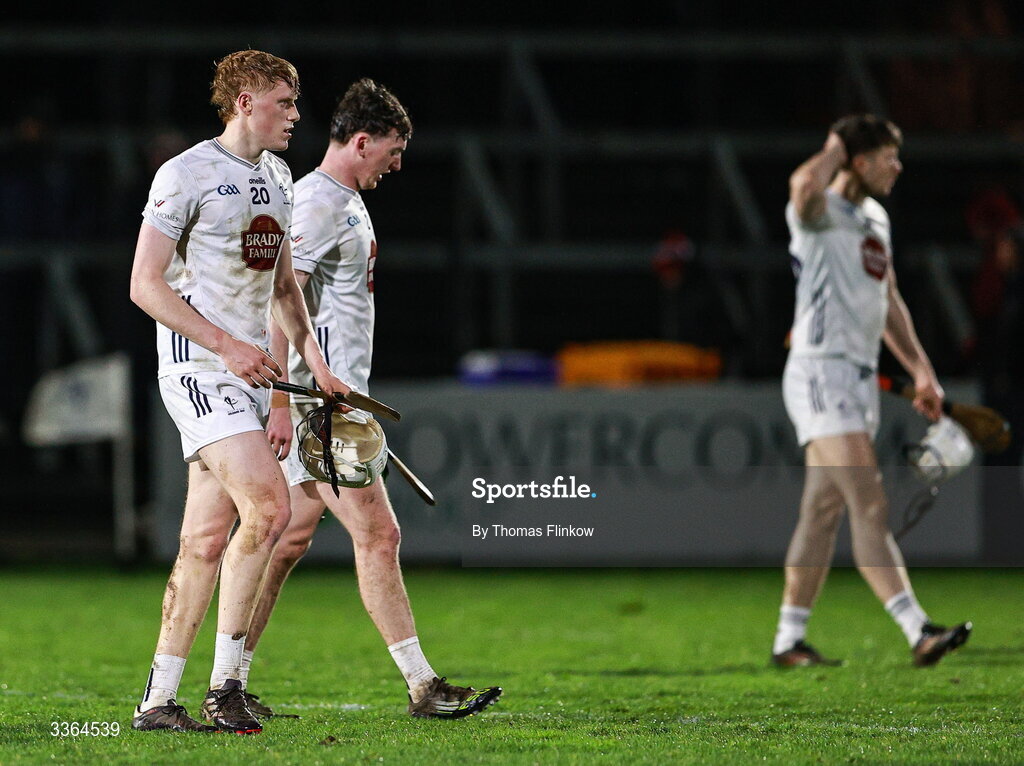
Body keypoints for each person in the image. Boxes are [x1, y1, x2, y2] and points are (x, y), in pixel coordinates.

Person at [243, 78, 502, 719]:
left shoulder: (342, 200)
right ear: (361, 141)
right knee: (379, 534)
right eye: (391, 149)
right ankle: (423, 686)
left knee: (288, 536)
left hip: (324, 399)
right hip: (313, 404)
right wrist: (281, 401)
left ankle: (229, 680)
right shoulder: (319, 204)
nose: (397, 162)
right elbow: (282, 296)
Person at [129, 50, 349, 733]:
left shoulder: (279, 177)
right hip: (199, 370)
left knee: (202, 541)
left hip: (253, 377)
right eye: (286, 101)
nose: (296, 114)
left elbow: (283, 289)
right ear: (246, 99)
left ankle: (159, 701)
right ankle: (226, 686)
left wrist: (313, 364)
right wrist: (225, 345)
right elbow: (144, 284)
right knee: (270, 507)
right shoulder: (186, 174)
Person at [772, 115, 972, 668]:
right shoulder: (817, 213)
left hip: (856, 377)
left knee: (823, 512)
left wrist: (922, 370)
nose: (898, 166)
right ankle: (918, 630)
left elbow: (888, 302)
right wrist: (836, 143)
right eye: (887, 155)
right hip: (819, 372)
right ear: (859, 161)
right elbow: (802, 186)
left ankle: (788, 641)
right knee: (870, 499)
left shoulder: (875, 218)